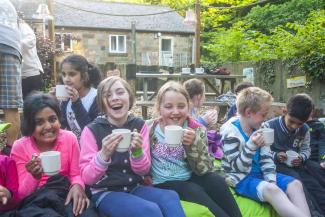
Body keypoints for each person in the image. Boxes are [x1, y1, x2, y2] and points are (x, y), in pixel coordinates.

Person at [79, 76, 186, 217]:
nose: (115, 98)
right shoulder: (91, 130)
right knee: (149, 210)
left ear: (129, 97)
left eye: (120, 92)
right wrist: (103, 155)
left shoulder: (139, 125)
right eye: (108, 95)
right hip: (105, 192)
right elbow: (88, 178)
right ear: (102, 103)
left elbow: (143, 171)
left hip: (135, 187)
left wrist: (137, 152)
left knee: (170, 197)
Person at [148, 81, 242, 217]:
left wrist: (193, 145)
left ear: (188, 106)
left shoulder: (196, 129)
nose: (175, 112)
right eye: (168, 107)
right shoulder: (150, 129)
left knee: (216, 180)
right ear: (159, 108)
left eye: (181, 106)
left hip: (189, 175)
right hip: (162, 182)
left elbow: (205, 169)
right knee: (193, 190)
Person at [221, 87, 310, 217]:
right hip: (242, 178)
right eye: (263, 114)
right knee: (272, 190)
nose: (266, 118)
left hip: (260, 173)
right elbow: (237, 167)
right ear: (249, 112)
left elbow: (266, 158)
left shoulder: (260, 128)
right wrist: (251, 146)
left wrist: (271, 179)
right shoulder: (231, 134)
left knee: (295, 184)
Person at [10, 93, 97, 216]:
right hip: (37, 199)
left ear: (59, 119)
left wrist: (77, 186)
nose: (48, 127)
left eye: (52, 119)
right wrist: (34, 176)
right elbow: (22, 194)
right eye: (39, 122)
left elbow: (76, 174)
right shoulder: (20, 146)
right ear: (29, 124)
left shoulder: (69, 138)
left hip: (66, 191)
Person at [265, 93, 325, 214]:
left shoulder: (305, 129)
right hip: (277, 167)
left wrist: (301, 157)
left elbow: (306, 149)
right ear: (284, 111)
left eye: (299, 124)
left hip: (298, 165)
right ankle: (314, 212)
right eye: (291, 121)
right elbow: (263, 151)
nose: (294, 126)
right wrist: (276, 155)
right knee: (301, 184)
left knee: (316, 174)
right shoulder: (269, 127)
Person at [58, 54, 102, 140]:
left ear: (84, 76)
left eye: (72, 74)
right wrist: (52, 104)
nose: (66, 79)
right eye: (63, 74)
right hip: (75, 148)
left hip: (92, 149)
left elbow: (92, 131)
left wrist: (76, 102)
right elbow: (61, 128)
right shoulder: (66, 98)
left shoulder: (97, 97)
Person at [0, 0, 23, 148]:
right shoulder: (9, 6)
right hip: (11, 47)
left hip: (10, 46)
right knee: (11, 107)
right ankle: (10, 155)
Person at [19, 19, 44, 99]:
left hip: (30, 74)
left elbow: (31, 41)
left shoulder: (22, 26)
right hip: (17, 75)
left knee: (33, 105)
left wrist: (12, 44)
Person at [0, 122, 19, 213]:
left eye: (3, 133)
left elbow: (15, 194)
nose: (3, 136)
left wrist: (8, 193)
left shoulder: (7, 162)